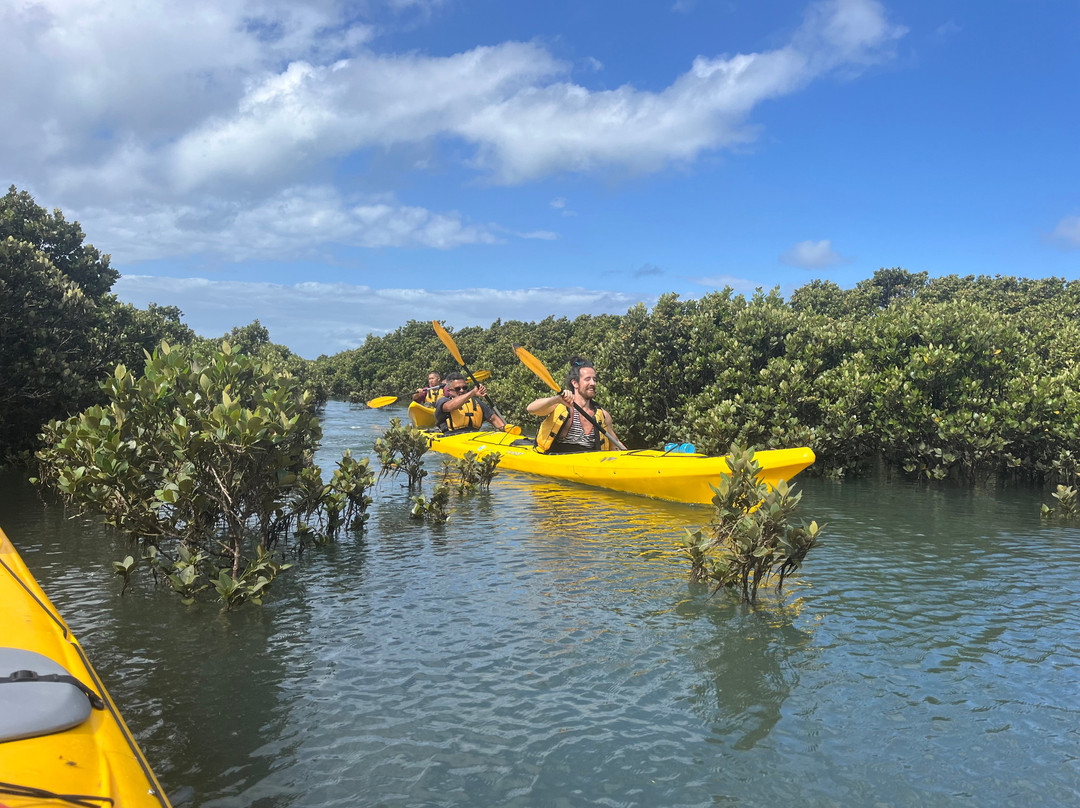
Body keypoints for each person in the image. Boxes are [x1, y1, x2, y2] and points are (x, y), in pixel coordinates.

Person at [526, 356, 618, 453]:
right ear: (575, 383)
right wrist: (556, 399)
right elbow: (531, 409)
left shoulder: (603, 415)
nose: (593, 383)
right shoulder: (560, 405)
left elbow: (614, 442)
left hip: (588, 463)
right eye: (587, 379)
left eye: (594, 379)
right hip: (558, 460)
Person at [435, 372, 507, 434]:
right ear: (449, 390)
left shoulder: (477, 403)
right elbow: (450, 407)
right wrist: (473, 392)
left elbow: (493, 419)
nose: (462, 390)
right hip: (450, 436)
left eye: (465, 388)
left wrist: (507, 429)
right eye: (458, 389)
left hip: (473, 437)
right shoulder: (443, 401)